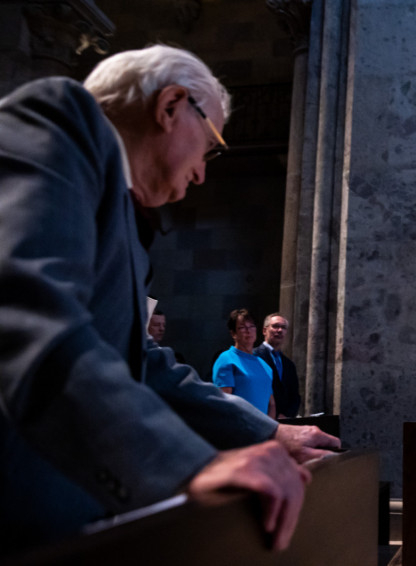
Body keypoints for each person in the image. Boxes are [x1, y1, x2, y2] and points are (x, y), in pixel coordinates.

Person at [0, 45, 339, 556]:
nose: (202, 173)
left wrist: (269, 433)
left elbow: (142, 362)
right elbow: (27, 319)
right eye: (209, 145)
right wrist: (188, 465)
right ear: (171, 106)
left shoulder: (126, 220)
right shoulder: (57, 122)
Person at [212, 309, 275, 416]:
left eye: (252, 326)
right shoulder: (226, 359)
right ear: (233, 333)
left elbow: (271, 404)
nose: (248, 331)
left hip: (262, 425)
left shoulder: (264, 365)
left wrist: (270, 426)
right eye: (242, 327)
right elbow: (223, 403)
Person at [254, 313, 302, 418]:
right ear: (264, 331)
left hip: (283, 421)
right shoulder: (254, 357)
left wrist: (285, 415)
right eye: (275, 326)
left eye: (283, 327)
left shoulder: (289, 364)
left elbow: (295, 396)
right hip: (260, 417)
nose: (280, 330)